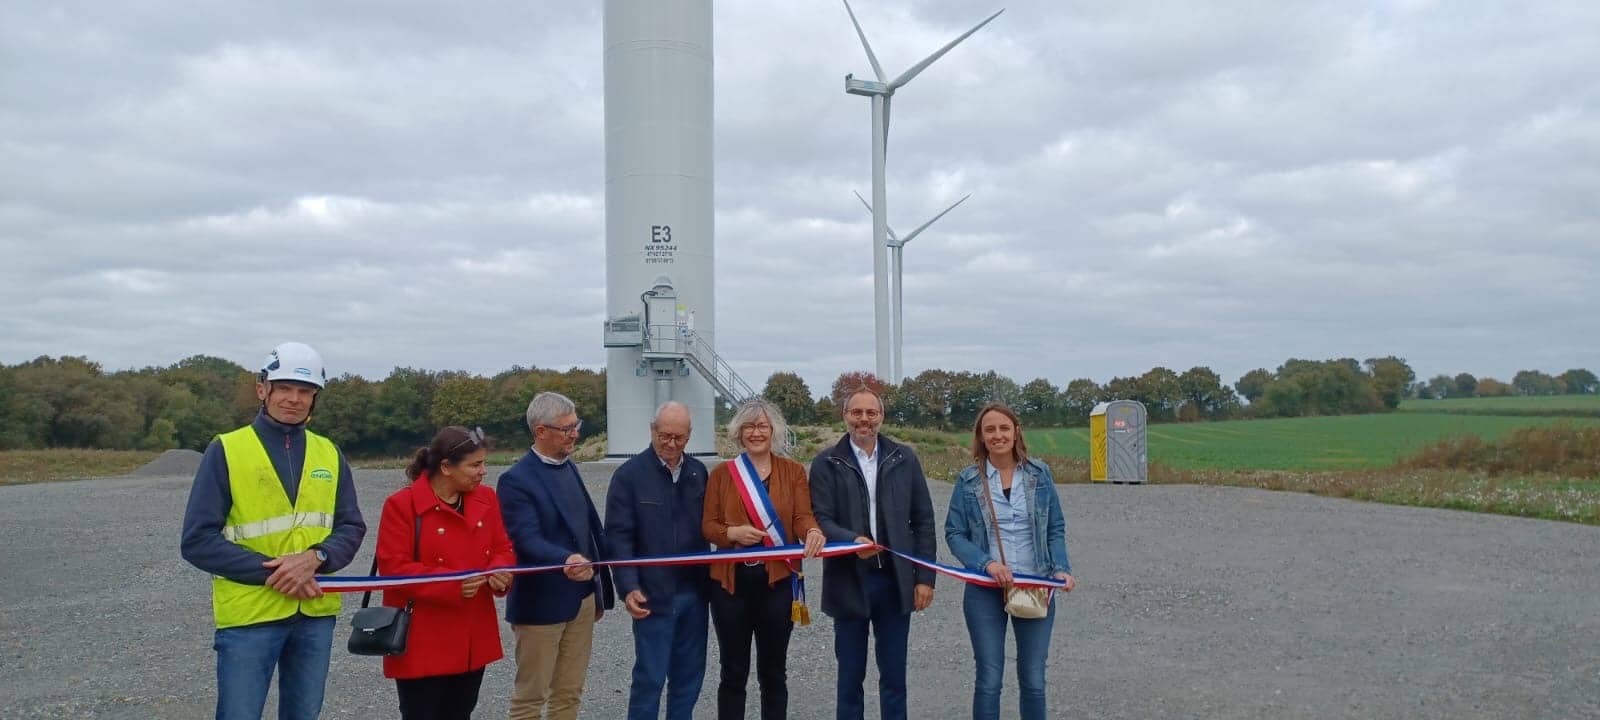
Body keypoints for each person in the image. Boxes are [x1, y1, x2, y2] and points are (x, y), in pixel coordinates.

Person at [180, 341, 365, 720]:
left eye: (305, 391)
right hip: (250, 615)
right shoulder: (227, 450)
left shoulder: (329, 453)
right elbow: (198, 540)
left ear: (314, 398)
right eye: (284, 388)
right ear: (262, 389)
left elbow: (351, 526)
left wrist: (317, 557)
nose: (294, 399)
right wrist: (279, 572)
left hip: (314, 614)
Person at [808, 384, 937, 720]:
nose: (863, 419)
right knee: (850, 678)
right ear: (844, 416)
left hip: (895, 581)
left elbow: (923, 520)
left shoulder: (904, 458)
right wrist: (851, 540)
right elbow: (821, 518)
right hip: (848, 580)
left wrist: (925, 578)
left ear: (882, 416)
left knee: (894, 677)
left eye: (871, 412)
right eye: (856, 412)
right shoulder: (826, 462)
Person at [944, 403, 1075, 720]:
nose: (997, 435)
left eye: (1004, 428)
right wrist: (986, 563)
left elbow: (1055, 527)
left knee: (1033, 679)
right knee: (989, 679)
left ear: (1016, 432)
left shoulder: (1039, 474)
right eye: (989, 429)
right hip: (985, 589)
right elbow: (954, 533)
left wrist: (1060, 568)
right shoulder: (968, 480)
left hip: (1034, 584)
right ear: (981, 436)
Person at [377, 426, 516, 719]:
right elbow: (393, 567)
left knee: (460, 712)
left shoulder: (486, 498)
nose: (483, 471)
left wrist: (500, 571)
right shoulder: (401, 505)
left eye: (483, 463)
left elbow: (503, 547)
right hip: (423, 639)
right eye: (475, 465)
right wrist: (452, 585)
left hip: (472, 635)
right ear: (446, 467)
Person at [702, 398, 826, 720]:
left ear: (773, 431)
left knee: (773, 672)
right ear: (738, 432)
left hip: (778, 583)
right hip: (730, 585)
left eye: (762, 426)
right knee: (733, 672)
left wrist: (812, 531)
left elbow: (802, 517)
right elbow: (709, 526)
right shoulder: (722, 474)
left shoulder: (793, 471)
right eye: (749, 427)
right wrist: (732, 534)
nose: (755, 433)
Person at [498, 391, 615, 720]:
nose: (575, 433)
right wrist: (565, 559)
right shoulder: (515, 480)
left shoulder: (569, 468)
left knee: (569, 693)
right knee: (530, 698)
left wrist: (601, 586)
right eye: (567, 428)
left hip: (582, 598)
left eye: (576, 425)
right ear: (540, 431)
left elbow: (590, 529)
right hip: (540, 605)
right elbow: (525, 538)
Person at [604, 401, 712, 720]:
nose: (671, 444)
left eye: (679, 438)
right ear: (652, 430)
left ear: (689, 435)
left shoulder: (698, 473)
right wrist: (628, 587)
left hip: (695, 594)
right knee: (650, 679)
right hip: (653, 596)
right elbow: (618, 538)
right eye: (665, 436)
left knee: (689, 678)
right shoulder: (628, 476)